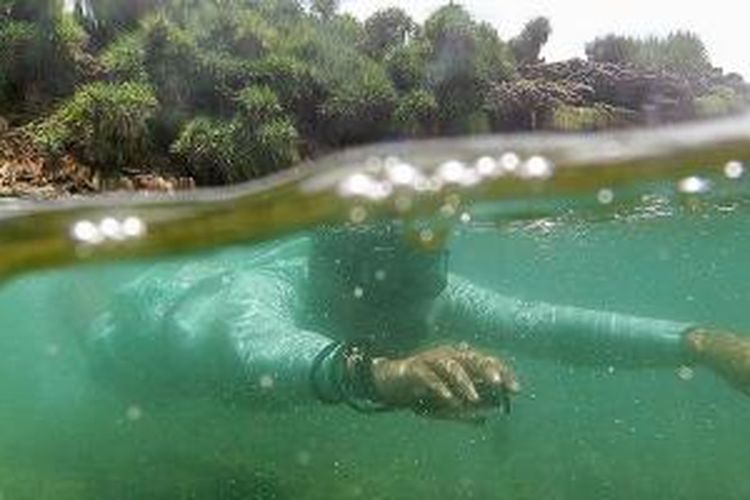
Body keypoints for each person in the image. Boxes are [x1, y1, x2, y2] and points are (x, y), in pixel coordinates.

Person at [86, 221, 750, 422]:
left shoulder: (423, 292)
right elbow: (257, 346)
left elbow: (545, 324)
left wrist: (697, 344)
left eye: (425, 289)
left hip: (203, 369)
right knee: (94, 333)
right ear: (344, 281)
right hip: (131, 356)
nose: (419, 314)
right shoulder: (261, 292)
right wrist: (387, 373)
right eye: (399, 296)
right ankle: (78, 308)